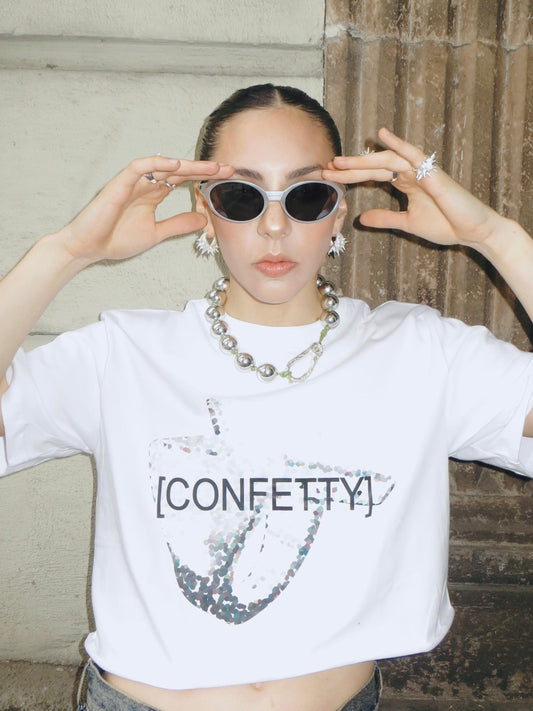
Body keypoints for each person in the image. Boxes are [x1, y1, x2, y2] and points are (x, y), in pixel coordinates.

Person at [0, 83, 532, 711]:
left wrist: (495, 236)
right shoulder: (123, 353)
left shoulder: (420, 353)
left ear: (338, 212)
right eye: (241, 196)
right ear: (206, 210)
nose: (274, 226)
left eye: (306, 196)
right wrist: (66, 251)